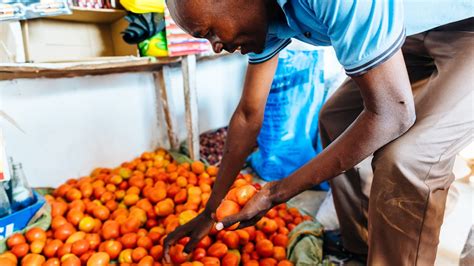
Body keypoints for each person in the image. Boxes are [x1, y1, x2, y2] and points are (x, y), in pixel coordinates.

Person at [163, 0, 474, 264]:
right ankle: (361, 247)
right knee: (334, 119)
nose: (216, 46)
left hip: (466, 22)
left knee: (408, 158)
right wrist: (210, 212)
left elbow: (393, 113)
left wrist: (276, 192)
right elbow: (247, 115)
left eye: (209, 33)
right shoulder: (262, 17)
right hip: (411, 30)